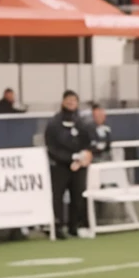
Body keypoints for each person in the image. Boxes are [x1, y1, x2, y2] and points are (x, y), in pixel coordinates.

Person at [45, 89, 93, 238]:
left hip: (79, 166)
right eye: (68, 100)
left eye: (74, 100)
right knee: (57, 197)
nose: (71, 103)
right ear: (63, 102)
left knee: (78, 196)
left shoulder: (82, 122)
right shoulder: (54, 123)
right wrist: (70, 158)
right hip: (60, 166)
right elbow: (51, 148)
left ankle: (75, 226)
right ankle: (58, 227)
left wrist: (82, 158)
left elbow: (88, 143)